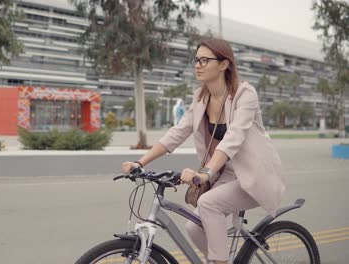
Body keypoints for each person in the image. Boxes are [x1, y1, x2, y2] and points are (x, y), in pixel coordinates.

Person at [122, 38, 285, 264]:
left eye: (205, 60)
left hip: (252, 174)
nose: (198, 64)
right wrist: (141, 162)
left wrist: (205, 173)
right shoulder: (201, 98)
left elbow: (233, 138)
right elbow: (177, 133)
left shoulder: (245, 94)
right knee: (194, 227)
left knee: (208, 204)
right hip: (224, 174)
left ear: (224, 64)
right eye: (196, 59)